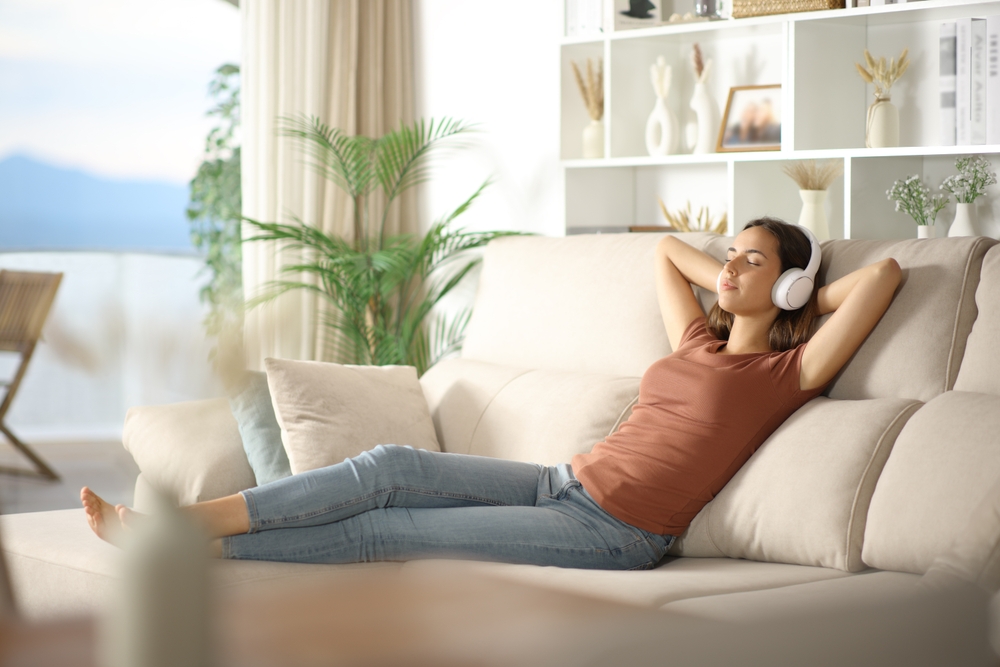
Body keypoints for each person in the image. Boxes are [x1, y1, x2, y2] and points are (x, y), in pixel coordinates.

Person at [81, 218, 901, 571]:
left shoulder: (784, 376)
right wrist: (735, 272)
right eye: (729, 251)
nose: (726, 265)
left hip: (617, 530)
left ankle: (184, 551)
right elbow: (662, 252)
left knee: (387, 527)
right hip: (564, 480)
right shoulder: (697, 338)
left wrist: (803, 292)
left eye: (752, 260)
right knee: (389, 464)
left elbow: (885, 276)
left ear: (793, 284)